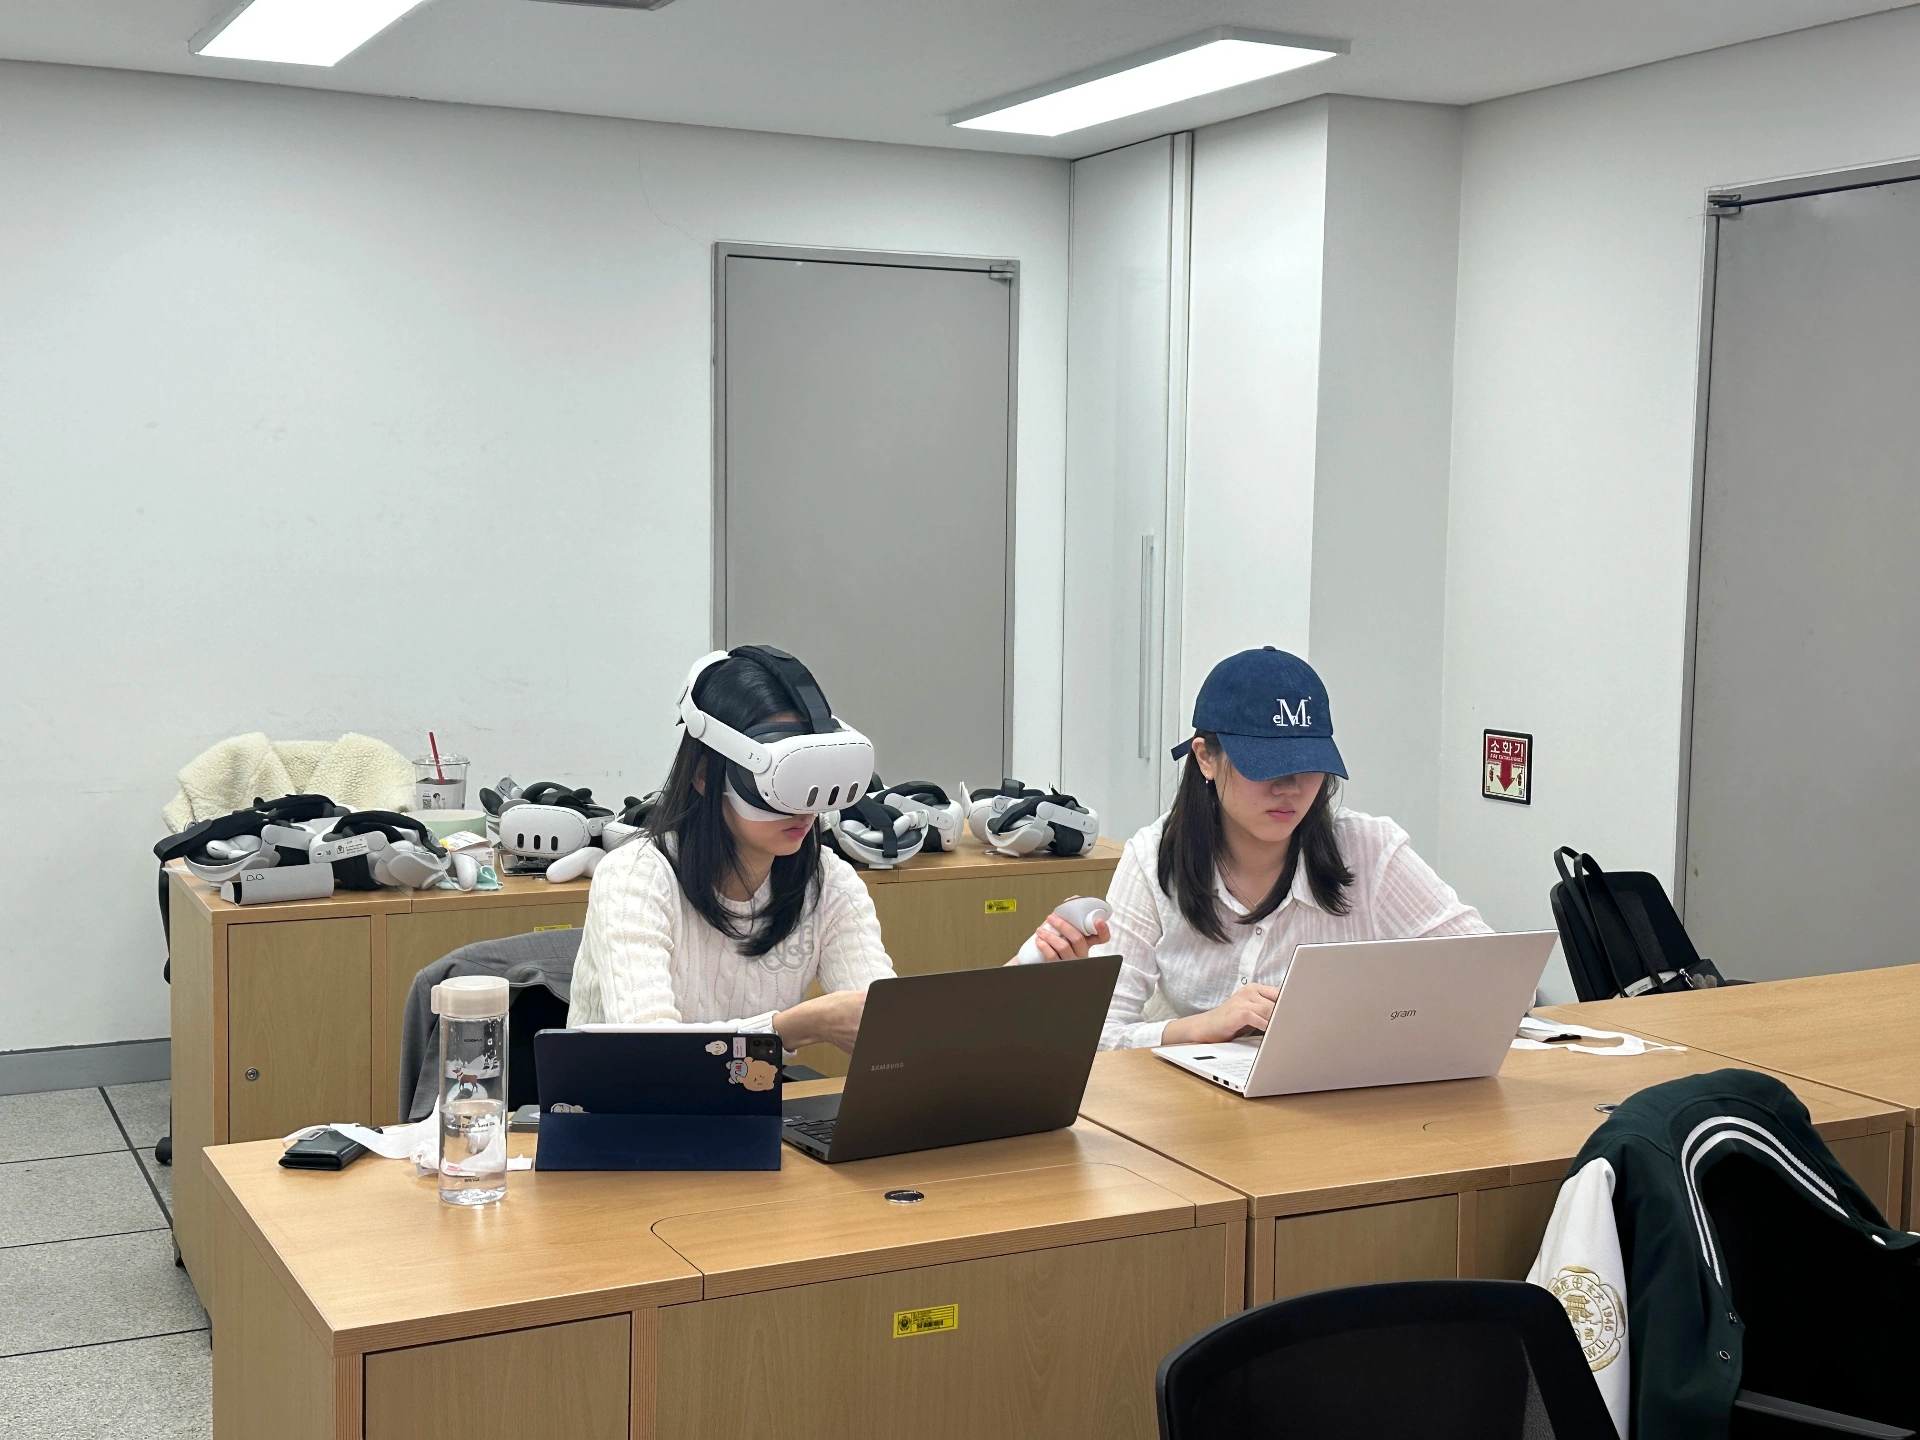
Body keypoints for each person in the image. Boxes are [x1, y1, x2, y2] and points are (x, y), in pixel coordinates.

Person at [1024, 647, 1489, 1050]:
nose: (1290, 788)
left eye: (1308, 766)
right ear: (1206, 757)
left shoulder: (1369, 848)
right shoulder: (1152, 859)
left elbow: (1495, 977)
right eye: (1266, 766)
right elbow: (1102, 1034)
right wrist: (1202, 1027)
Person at [567, 647, 893, 1052]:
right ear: (706, 776)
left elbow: (888, 1031)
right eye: (780, 780)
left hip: (749, 1105)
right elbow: (649, 1053)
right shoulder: (634, 879)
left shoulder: (828, 883)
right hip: (620, 1111)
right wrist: (786, 1029)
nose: (802, 809)